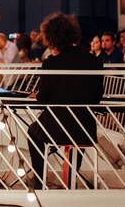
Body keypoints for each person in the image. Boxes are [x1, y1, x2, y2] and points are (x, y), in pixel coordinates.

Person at [27, 13, 103, 188]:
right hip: (84, 125)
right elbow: (97, 96)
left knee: (33, 133)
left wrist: (38, 95)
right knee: (75, 140)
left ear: (52, 38)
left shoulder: (51, 63)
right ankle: (69, 181)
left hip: (57, 124)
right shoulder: (94, 61)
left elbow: (43, 99)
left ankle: (39, 181)